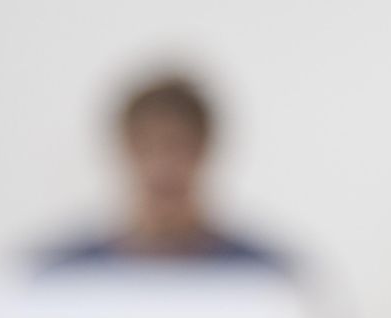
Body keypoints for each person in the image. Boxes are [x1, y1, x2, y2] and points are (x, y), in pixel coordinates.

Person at [42, 73, 286, 269]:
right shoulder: (70, 280)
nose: (163, 166)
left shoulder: (259, 280)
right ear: (124, 150)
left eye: (178, 146)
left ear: (205, 150)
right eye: (146, 146)